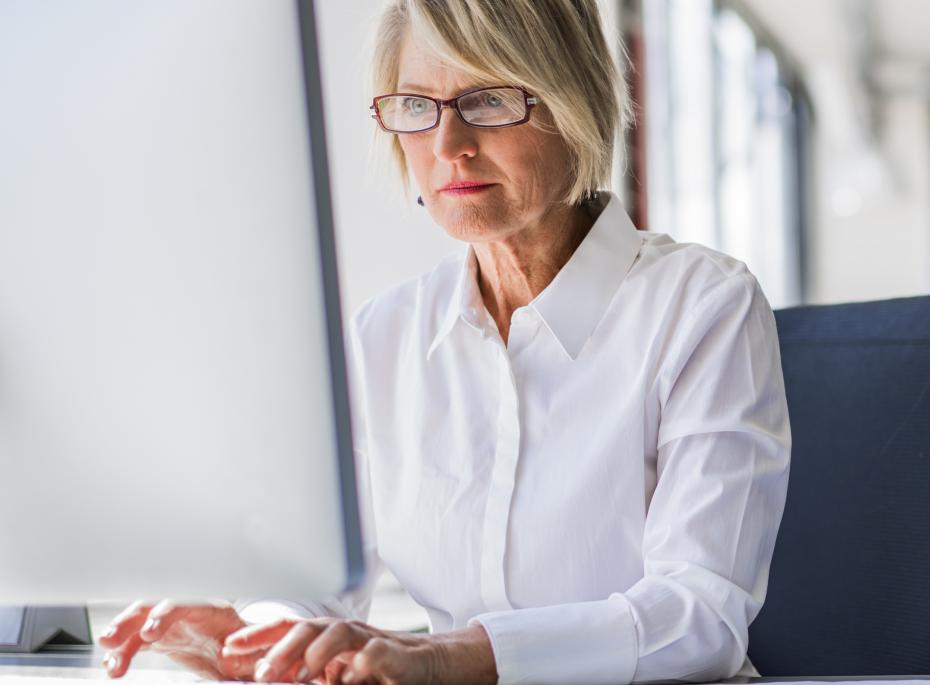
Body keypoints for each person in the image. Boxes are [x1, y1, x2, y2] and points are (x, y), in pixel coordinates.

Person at [97, 1, 791, 683]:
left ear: (571, 100)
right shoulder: (386, 334)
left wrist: (447, 656)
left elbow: (701, 616)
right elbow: (317, 583)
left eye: (487, 101)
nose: (447, 144)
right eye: (415, 106)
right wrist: (261, 634)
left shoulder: (703, 306)